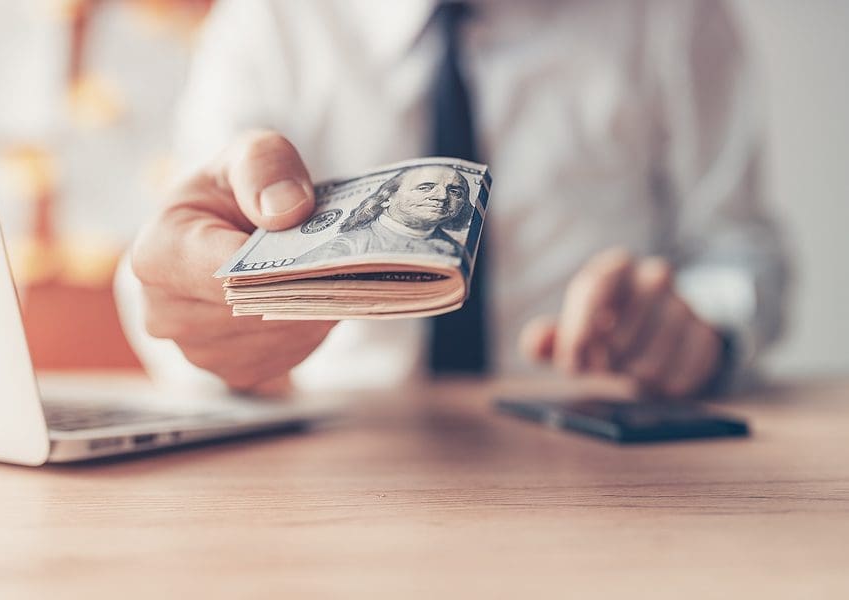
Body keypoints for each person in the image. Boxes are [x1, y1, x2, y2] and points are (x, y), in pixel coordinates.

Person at [118, 0, 789, 397]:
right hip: (335, 455)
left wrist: (697, 330)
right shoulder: (270, 20)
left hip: (597, 458)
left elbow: (740, 254)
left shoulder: (671, 17)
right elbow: (178, 245)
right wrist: (197, 320)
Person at [298, 165, 474, 264]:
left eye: (455, 192)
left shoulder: (455, 249)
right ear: (387, 197)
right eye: (425, 188)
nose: (442, 196)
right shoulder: (347, 247)